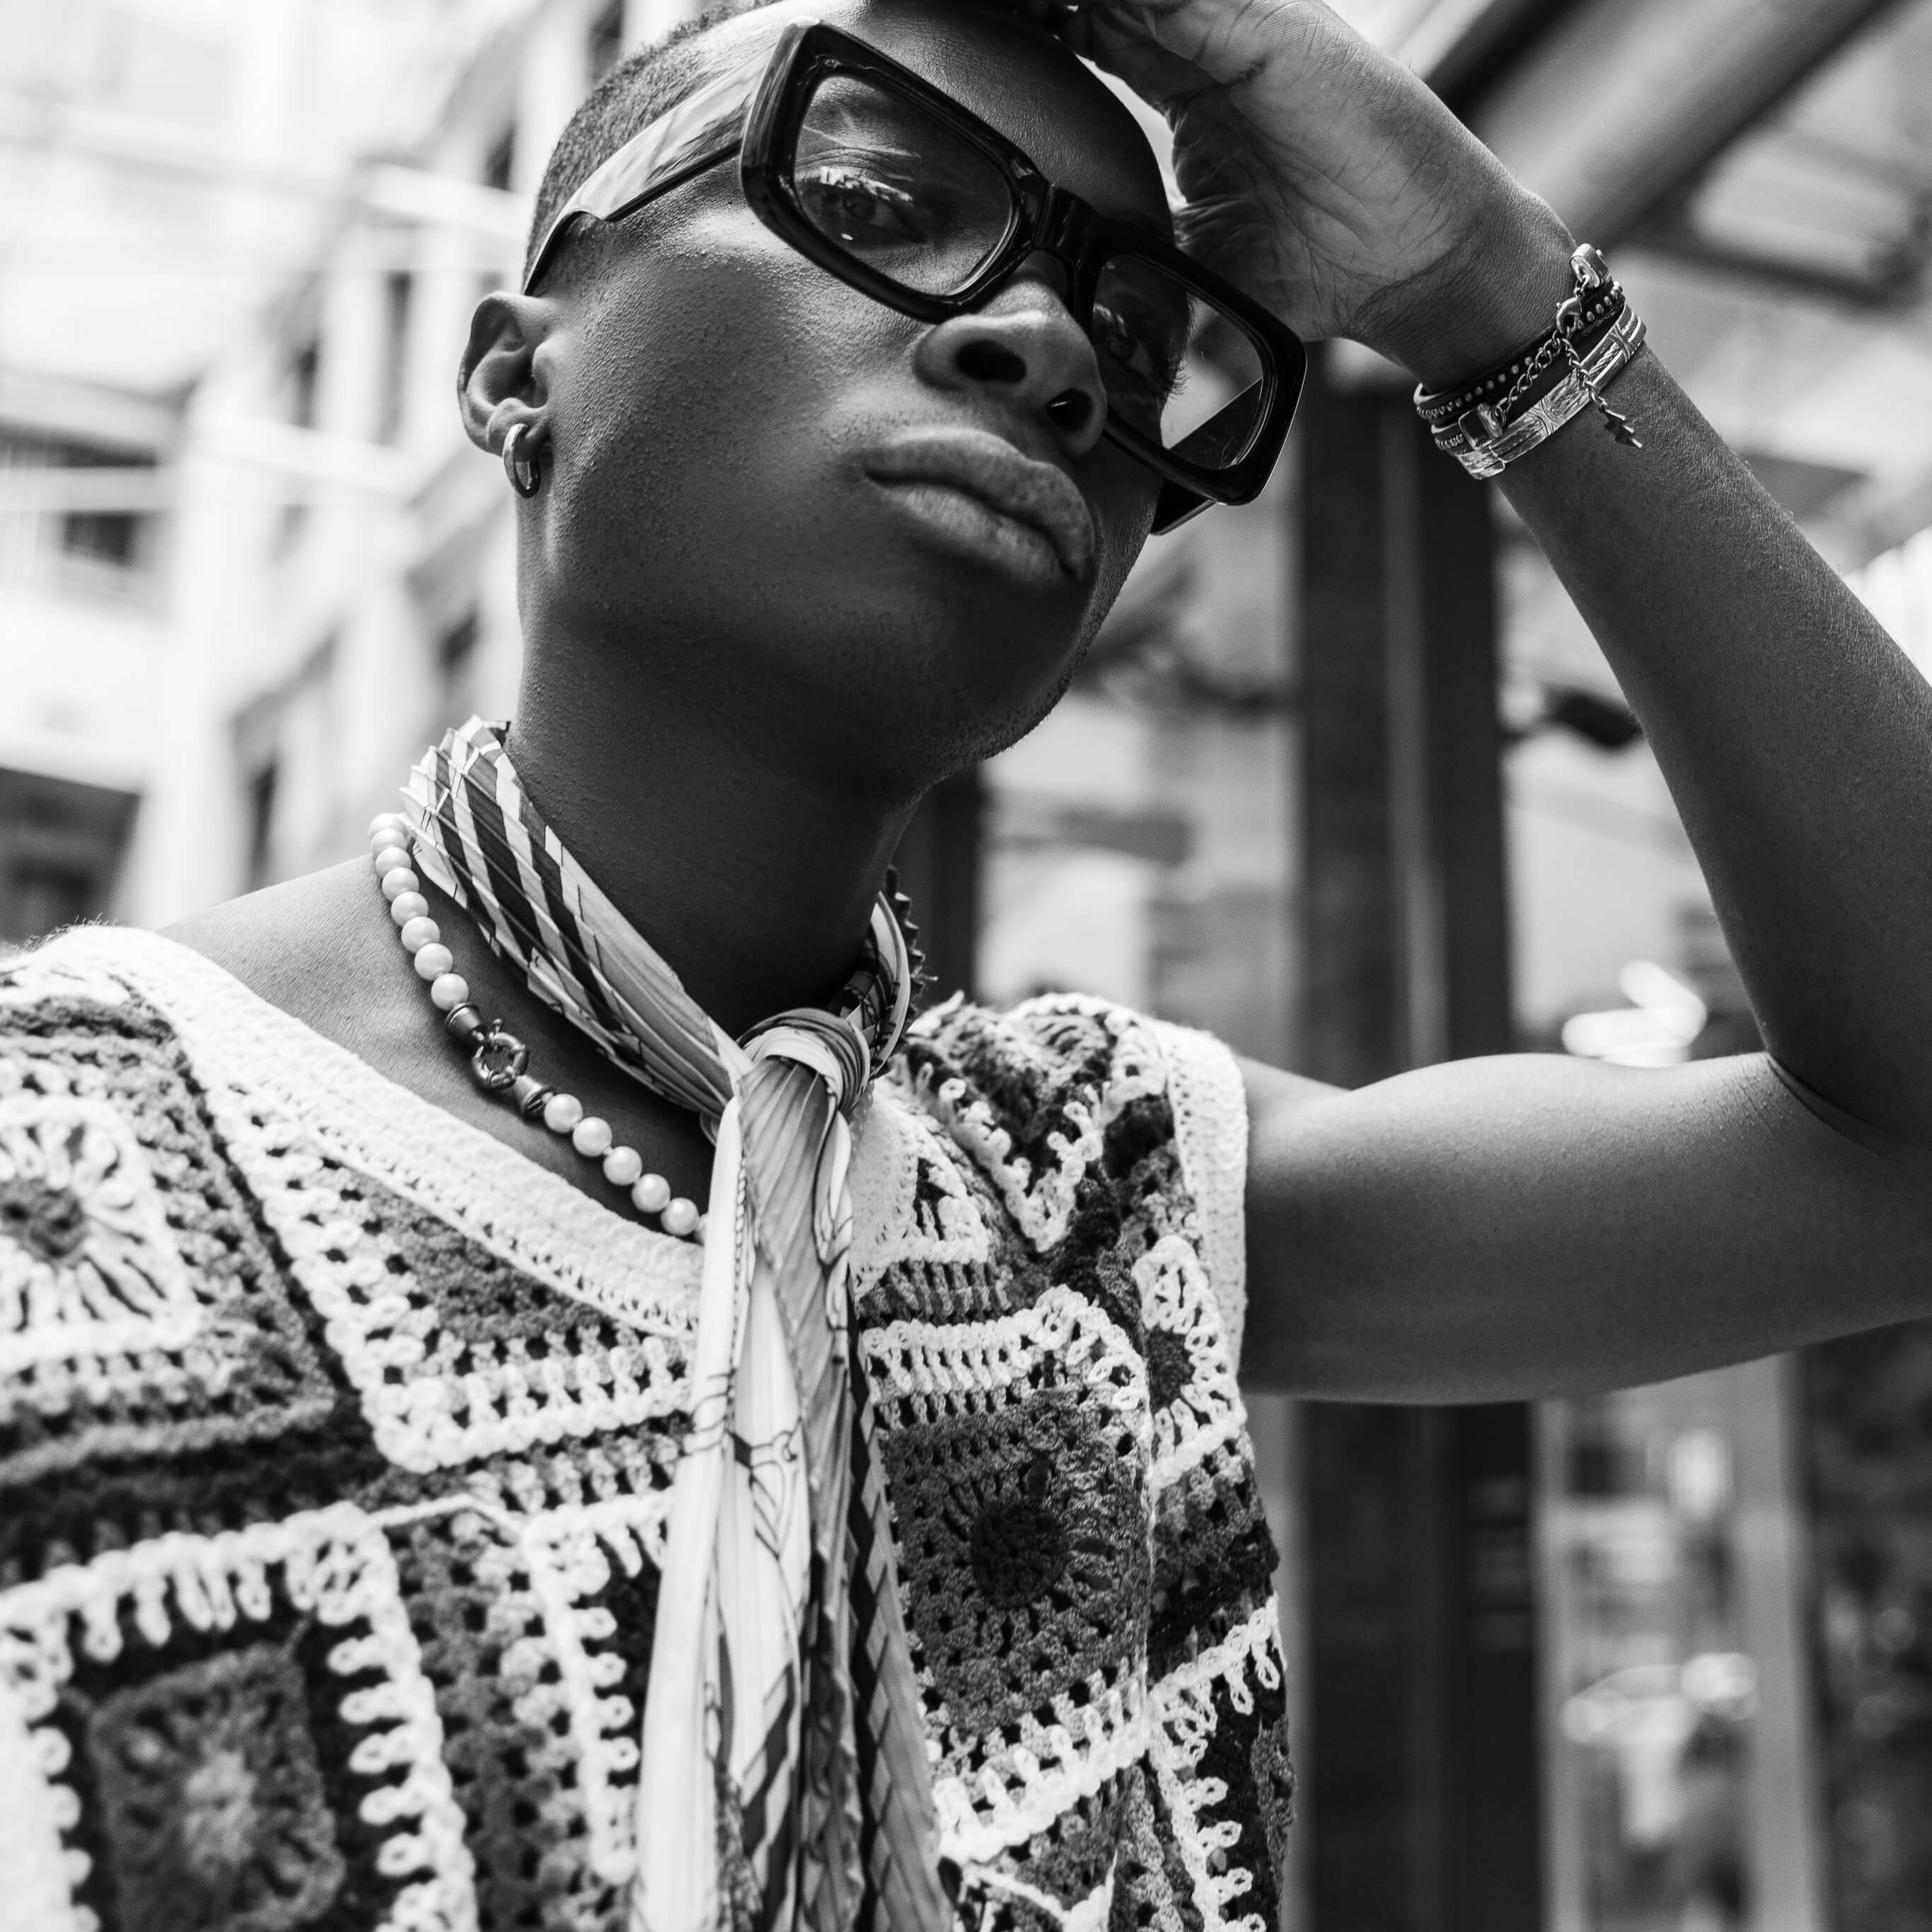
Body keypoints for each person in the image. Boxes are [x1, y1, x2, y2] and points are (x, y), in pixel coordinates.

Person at [2, 0, 1928, 1926]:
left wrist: (1487, 291)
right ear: (516, 378)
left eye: (1140, 347)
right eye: (868, 200)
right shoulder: (62, 1175)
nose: (1052, 357)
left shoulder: (1091, 1188)